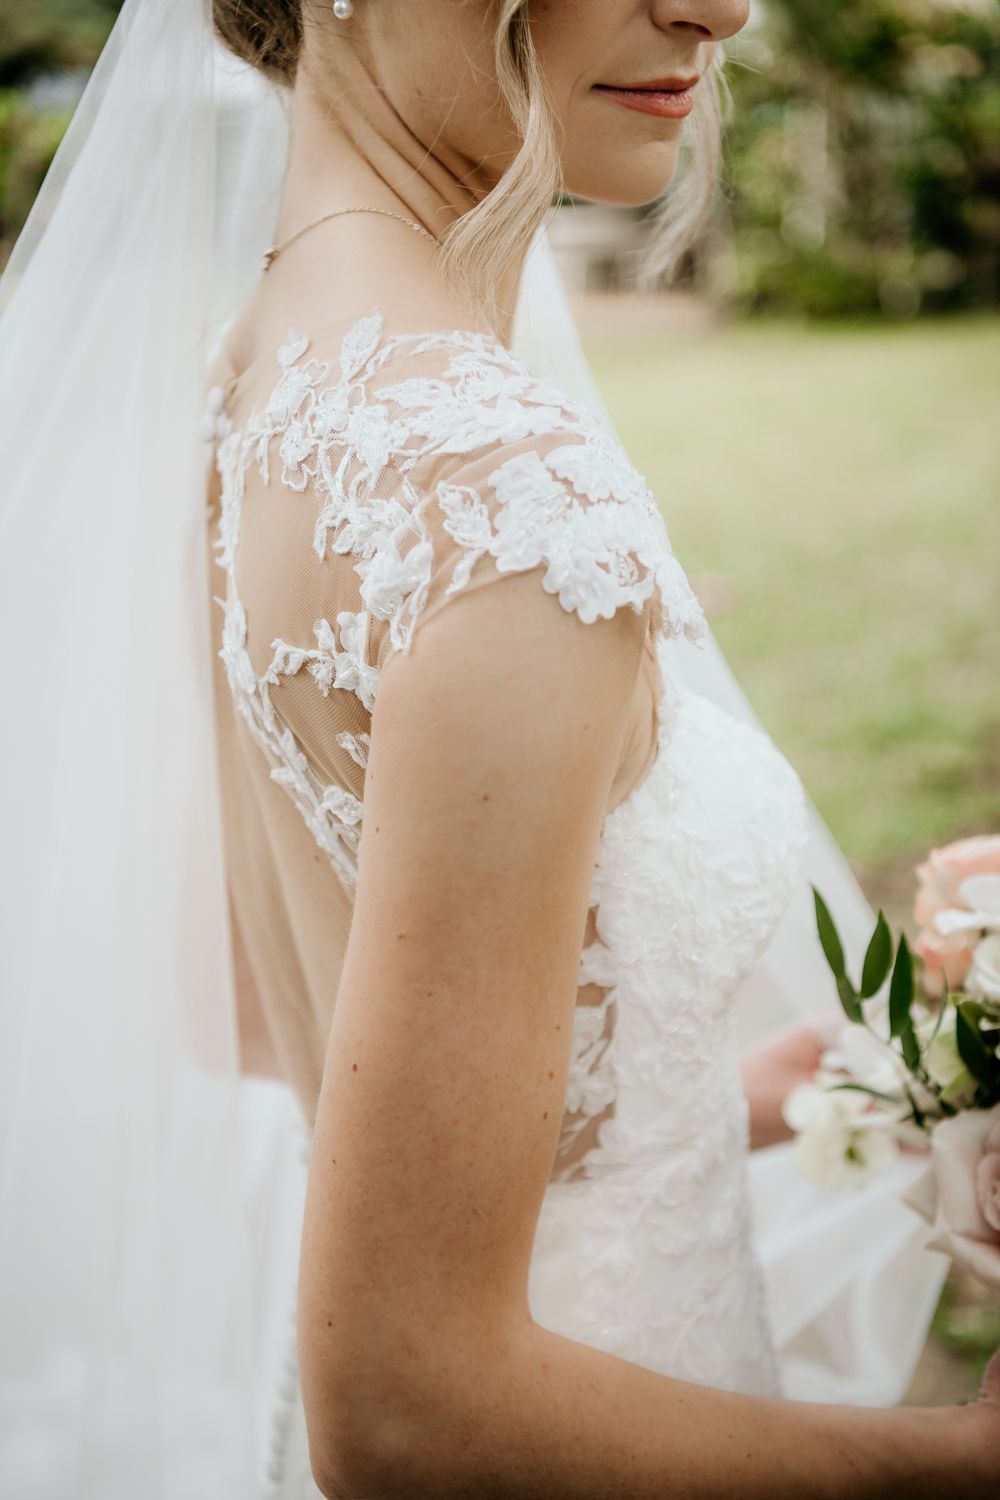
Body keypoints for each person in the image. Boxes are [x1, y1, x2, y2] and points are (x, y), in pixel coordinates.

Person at [0, 3, 995, 1497]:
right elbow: (409, 1411)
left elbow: (269, 1024)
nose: (721, 7)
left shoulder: (259, 370)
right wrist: (966, 1461)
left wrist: (769, 1091)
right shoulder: (506, 512)